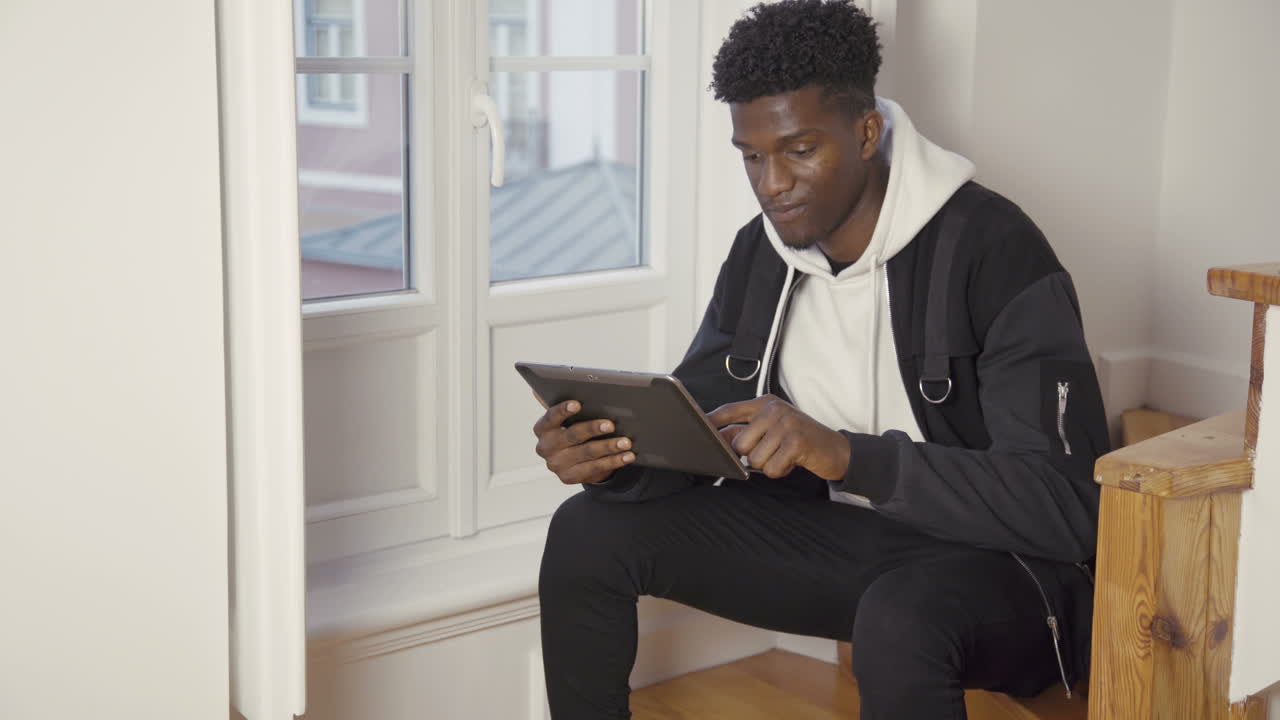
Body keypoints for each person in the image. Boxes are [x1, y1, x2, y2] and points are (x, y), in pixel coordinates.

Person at [533, 1, 1108, 717]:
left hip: (1011, 573)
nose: (771, 182)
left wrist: (845, 455)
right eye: (752, 156)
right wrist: (613, 458)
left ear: (866, 132)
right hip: (857, 553)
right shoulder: (762, 252)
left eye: (799, 149)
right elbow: (702, 422)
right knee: (588, 531)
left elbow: (1068, 509)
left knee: (903, 617)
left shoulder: (997, 250)